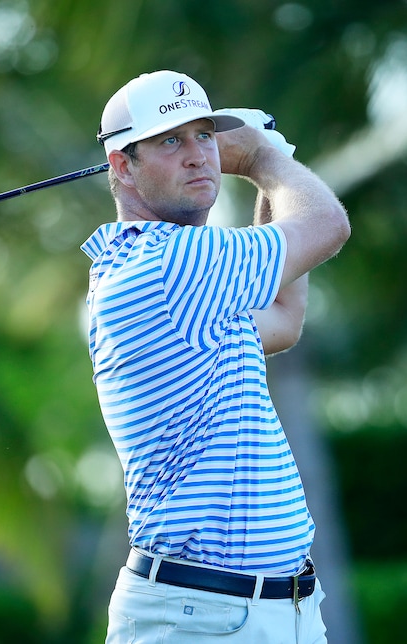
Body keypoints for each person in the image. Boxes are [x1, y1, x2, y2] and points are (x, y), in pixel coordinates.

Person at [81, 70, 350, 643]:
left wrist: (267, 171)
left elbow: (282, 315)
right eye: (170, 141)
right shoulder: (166, 265)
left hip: (271, 612)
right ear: (123, 167)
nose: (198, 155)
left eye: (205, 136)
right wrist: (262, 161)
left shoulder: (189, 282)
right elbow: (327, 225)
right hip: (204, 617)